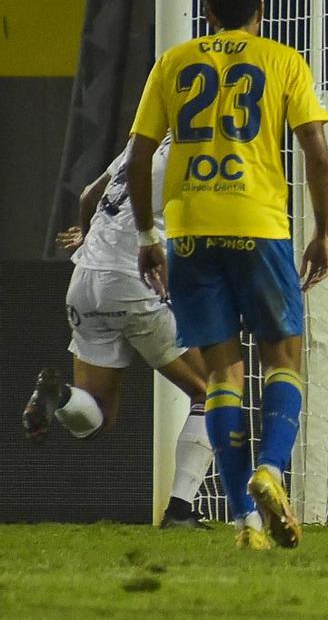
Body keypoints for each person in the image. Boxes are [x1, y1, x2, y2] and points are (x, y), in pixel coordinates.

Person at [127, 0, 328, 551]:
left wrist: (149, 237)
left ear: (208, 10)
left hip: (191, 231)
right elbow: (317, 154)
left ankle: (246, 519)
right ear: (260, 9)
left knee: (221, 374)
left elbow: (139, 156)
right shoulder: (283, 60)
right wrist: (323, 233)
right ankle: (270, 468)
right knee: (283, 357)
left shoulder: (173, 62)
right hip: (259, 225)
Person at [22, 143, 214, 529]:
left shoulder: (142, 143)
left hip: (84, 279)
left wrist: (91, 237)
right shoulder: (201, 149)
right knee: (211, 393)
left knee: (97, 417)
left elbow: (89, 196)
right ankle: (179, 511)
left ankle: (58, 396)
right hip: (133, 279)